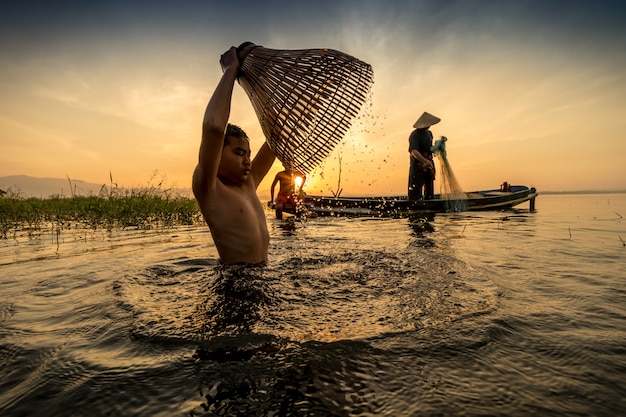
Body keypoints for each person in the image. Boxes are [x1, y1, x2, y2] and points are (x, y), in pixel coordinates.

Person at [192, 46, 276, 265]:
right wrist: (230, 70)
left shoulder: (248, 183)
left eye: (248, 154)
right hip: (234, 284)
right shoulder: (209, 187)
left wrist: (256, 81)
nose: (247, 161)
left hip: (263, 275)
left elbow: (278, 136)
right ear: (216, 153)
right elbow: (213, 127)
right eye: (239, 153)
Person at [408, 111, 440, 200]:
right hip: (418, 165)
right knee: (415, 189)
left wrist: (438, 147)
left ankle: (429, 199)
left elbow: (429, 148)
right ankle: (415, 203)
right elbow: (414, 151)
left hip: (428, 163)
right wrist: (424, 161)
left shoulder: (429, 134)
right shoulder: (415, 135)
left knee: (429, 186)